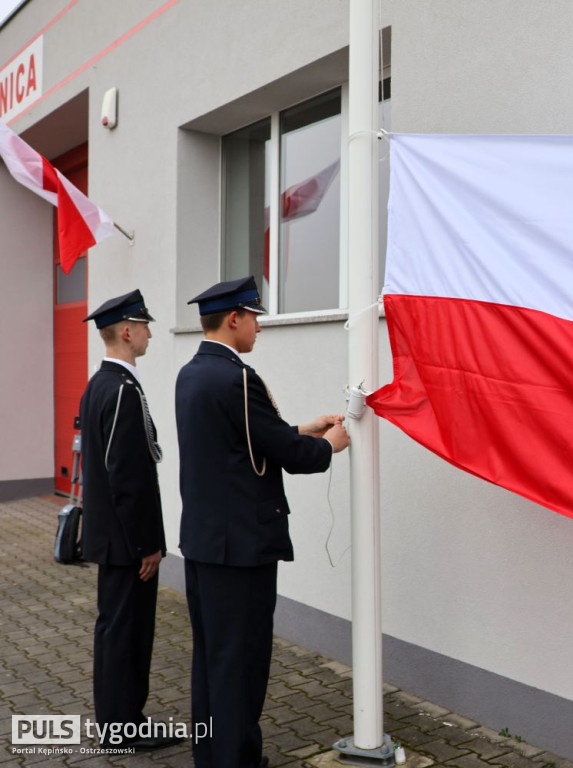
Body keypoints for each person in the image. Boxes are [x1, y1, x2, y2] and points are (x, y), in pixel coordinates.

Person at [176, 275, 350, 768]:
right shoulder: (237, 377)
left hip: (207, 545)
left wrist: (300, 428)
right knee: (242, 664)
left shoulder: (192, 372)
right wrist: (325, 446)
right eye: (254, 317)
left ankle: (212, 755)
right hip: (242, 551)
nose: (258, 327)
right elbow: (288, 455)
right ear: (234, 319)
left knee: (212, 661)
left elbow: (244, 442)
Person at [79, 289, 180, 751]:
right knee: (127, 634)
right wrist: (147, 544)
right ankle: (124, 728)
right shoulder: (120, 388)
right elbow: (128, 477)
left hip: (112, 537)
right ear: (125, 331)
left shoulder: (101, 384)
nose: (150, 334)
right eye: (144, 327)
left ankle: (119, 722)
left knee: (116, 630)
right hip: (126, 543)